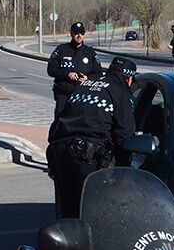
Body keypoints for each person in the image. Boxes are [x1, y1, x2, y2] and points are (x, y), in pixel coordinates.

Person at [46, 57, 137, 219]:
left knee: (66, 212)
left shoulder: (84, 85)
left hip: (60, 151)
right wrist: (121, 171)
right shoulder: (121, 92)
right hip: (89, 158)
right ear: (129, 79)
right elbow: (125, 135)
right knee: (90, 212)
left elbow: (59, 120)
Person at [47, 22, 103, 118]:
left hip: (83, 95)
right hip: (64, 94)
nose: (79, 35)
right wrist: (67, 75)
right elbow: (51, 69)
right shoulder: (61, 50)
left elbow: (98, 74)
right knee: (60, 121)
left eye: (82, 33)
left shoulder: (90, 52)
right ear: (71, 34)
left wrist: (87, 78)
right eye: (76, 33)